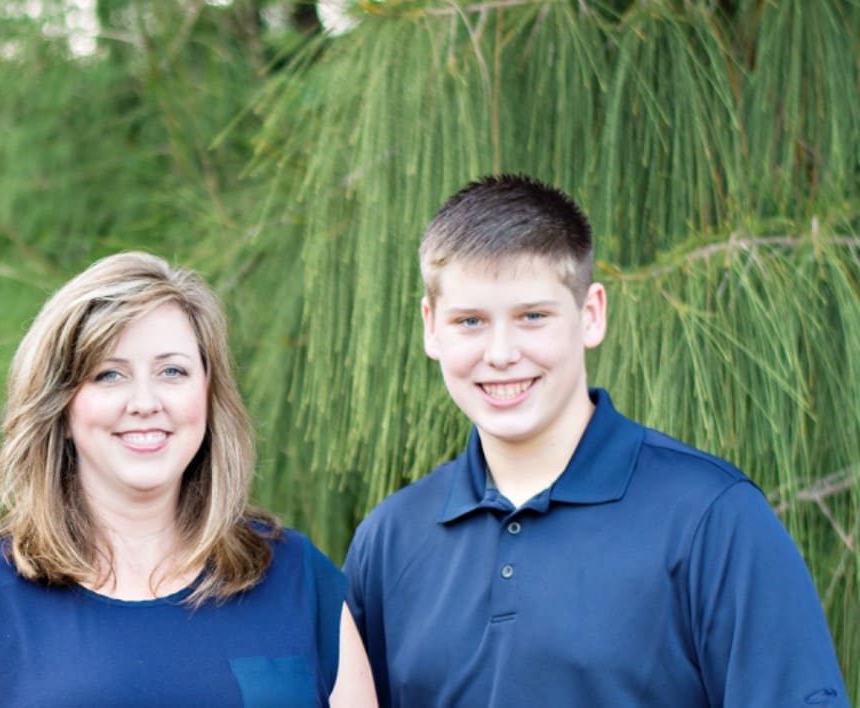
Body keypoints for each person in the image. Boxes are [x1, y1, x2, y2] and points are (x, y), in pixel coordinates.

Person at [343, 175, 848, 706]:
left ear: (591, 315)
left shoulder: (711, 518)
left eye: (532, 316)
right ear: (431, 327)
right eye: (470, 321)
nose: (500, 353)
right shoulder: (389, 540)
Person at [0, 251, 377, 707]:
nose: (144, 401)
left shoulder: (299, 580)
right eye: (108, 375)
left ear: (209, 394)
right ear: (61, 407)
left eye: (173, 372)